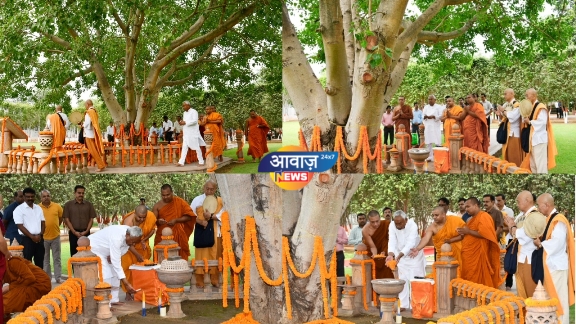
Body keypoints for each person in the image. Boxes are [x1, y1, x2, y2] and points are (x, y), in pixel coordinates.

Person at [534, 193, 575, 324]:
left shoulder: (559, 219)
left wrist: (541, 244)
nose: (538, 208)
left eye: (539, 205)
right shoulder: (550, 219)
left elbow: (557, 242)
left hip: (556, 266)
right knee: (551, 297)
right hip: (551, 266)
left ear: (547, 205)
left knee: (558, 298)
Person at [503, 191, 544, 298]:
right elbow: (515, 235)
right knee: (522, 294)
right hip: (521, 258)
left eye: (519, 201)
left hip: (530, 260)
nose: (517, 204)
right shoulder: (523, 216)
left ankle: (532, 314)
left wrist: (512, 226)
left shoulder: (534, 215)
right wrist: (512, 227)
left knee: (530, 292)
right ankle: (524, 314)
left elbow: (523, 237)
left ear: (527, 201)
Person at [89, 226, 141, 305]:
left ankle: (114, 299)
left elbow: (124, 249)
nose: (133, 244)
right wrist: (126, 284)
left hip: (108, 251)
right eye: (132, 241)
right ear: (127, 234)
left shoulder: (129, 233)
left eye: (135, 243)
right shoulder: (117, 238)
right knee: (106, 274)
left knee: (116, 274)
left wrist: (113, 255)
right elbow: (116, 263)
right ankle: (106, 303)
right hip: (96, 248)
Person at [385, 211, 426, 311]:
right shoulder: (392, 225)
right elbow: (392, 240)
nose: (398, 225)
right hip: (401, 256)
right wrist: (391, 254)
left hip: (414, 256)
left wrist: (398, 256)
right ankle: (404, 304)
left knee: (415, 280)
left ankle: (416, 305)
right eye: (396, 223)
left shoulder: (413, 225)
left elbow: (410, 244)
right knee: (402, 280)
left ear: (406, 220)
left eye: (400, 223)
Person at [458, 197, 501, 288]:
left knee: (480, 281)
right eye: (465, 207)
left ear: (476, 205)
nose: (466, 209)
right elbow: (469, 232)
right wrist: (463, 233)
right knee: (468, 278)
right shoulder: (471, 219)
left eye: (468, 206)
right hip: (469, 254)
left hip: (479, 253)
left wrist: (468, 232)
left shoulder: (484, 216)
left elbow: (485, 234)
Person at [190, 180, 225, 288]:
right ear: (204, 188)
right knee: (202, 257)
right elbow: (190, 215)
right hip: (202, 234)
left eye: (212, 189)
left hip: (217, 233)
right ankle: (200, 282)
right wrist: (200, 221)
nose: (209, 191)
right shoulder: (197, 200)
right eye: (207, 188)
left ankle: (215, 280)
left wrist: (211, 216)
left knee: (216, 257)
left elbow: (223, 216)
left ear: (215, 189)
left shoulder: (220, 201)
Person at [409, 207, 465, 271]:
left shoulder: (455, 220)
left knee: (459, 275)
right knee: (441, 275)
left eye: (436, 215)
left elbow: (464, 234)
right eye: (433, 215)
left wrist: (451, 240)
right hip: (442, 257)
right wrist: (417, 248)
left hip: (458, 254)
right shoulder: (432, 227)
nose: (434, 217)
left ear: (443, 215)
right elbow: (426, 238)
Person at [120, 205, 156, 300]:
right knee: (127, 268)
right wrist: (137, 254)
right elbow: (127, 242)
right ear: (134, 213)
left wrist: (144, 239)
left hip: (142, 247)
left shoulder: (150, 216)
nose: (141, 219)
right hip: (128, 249)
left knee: (142, 268)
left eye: (144, 217)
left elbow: (152, 230)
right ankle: (128, 293)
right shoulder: (128, 223)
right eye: (139, 217)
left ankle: (143, 291)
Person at [153, 184, 196, 260]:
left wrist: (176, 220)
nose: (165, 197)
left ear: (172, 192)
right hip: (162, 236)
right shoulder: (157, 206)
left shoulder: (180, 202)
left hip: (177, 235)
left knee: (179, 258)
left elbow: (189, 216)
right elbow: (153, 221)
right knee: (161, 257)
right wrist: (158, 221)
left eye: (168, 195)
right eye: (163, 195)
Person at [520, 88, 557, 173]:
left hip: (539, 140)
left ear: (534, 96)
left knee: (540, 165)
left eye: (527, 95)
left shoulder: (541, 107)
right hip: (532, 140)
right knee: (533, 165)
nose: (526, 97)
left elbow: (542, 122)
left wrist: (529, 122)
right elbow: (525, 120)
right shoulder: (530, 107)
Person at [13, 188, 45, 267]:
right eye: (28, 197)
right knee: (27, 263)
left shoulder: (38, 208)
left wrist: (40, 235)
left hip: (39, 239)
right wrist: (32, 237)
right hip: (26, 240)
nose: (30, 198)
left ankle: (39, 279)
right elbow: (20, 226)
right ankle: (29, 279)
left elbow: (43, 223)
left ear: (34, 197)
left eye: (32, 196)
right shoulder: (18, 210)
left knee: (40, 263)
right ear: (24, 197)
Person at [63, 185, 96, 256]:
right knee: (74, 254)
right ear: (74, 193)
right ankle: (74, 267)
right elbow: (67, 219)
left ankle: (87, 268)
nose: (81, 195)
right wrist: (74, 232)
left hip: (86, 233)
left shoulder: (89, 205)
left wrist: (86, 231)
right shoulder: (68, 205)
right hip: (73, 233)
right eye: (79, 193)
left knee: (87, 253)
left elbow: (91, 219)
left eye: (83, 193)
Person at [40, 189, 63, 283]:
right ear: (41, 198)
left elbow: (60, 218)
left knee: (57, 258)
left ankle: (58, 278)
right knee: (45, 260)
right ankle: (47, 278)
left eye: (48, 196)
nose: (46, 198)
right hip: (43, 238)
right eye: (44, 196)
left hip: (55, 237)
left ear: (50, 196)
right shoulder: (37, 208)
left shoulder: (57, 206)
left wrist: (55, 227)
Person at [361, 210, 394, 279]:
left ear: (380, 218)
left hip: (385, 251)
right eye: (372, 222)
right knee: (374, 273)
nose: (375, 224)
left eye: (377, 221)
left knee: (387, 273)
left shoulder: (386, 224)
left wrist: (385, 251)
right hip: (373, 253)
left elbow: (391, 240)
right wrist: (375, 256)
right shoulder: (365, 230)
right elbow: (372, 247)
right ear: (369, 221)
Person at [496, 89, 523, 166]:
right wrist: (500, 115)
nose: (504, 95)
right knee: (507, 156)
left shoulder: (517, 105)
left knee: (514, 157)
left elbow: (512, 118)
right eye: (504, 94)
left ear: (512, 94)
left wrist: (503, 110)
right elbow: (505, 120)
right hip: (507, 133)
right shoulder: (506, 105)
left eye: (505, 94)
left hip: (513, 134)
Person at [177, 101, 206, 166]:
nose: (183, 107)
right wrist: (182, 123)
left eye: (184, 105)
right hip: (186, 133)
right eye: (183, 106)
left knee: (196, 147)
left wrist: (185, 122)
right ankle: (181, 162)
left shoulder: (194, 111)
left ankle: (201, 162)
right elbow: (185, 122)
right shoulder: (184, 113)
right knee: (184, 147)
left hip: (193, 133)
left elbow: (195, 121)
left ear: (188, 105)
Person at [81, 100, 106, 172]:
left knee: (93, 151)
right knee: (95, 150)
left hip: (89, 134)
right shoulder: (94, 111)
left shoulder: (89, 112)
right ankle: (101, 164)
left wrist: (83, 125)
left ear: (88, 104)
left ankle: (101, 165)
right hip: (92, 134)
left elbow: (88, 124)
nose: (85, 106)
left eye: (85, 105)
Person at [422, 95, 442, 161]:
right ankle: (429, 157)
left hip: (435, 126)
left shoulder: (439, 107)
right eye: (429, 99)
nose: (430, 100)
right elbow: (423, 115)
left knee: (437, 142)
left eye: (431, 99)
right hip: (428, 126)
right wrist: (425, 117)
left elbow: (440, 116)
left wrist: (434, 117)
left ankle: (438, 157)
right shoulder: (426, 107)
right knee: (428, 142)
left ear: (435, 100)